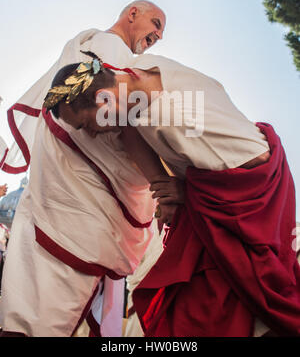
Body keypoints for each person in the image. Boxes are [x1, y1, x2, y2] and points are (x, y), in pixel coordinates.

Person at [44, 51, 300, 337]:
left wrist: (187, 189)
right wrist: (161, 182)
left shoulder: (177, 119)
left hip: (250, 200)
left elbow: (254, 162)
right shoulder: (133, 77)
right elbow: (128, 128)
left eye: (85, 124)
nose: (90, 134)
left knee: (238, 300)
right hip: (211, 187)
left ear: (104, 100)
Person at [0, 0, 178, 338]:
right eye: (155, 23)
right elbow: (124, 118)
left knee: (30, 314)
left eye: (162, 31)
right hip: (76, 208)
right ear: (132, 14)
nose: (158, 34)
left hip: (55, 202)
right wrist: (161, 181)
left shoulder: (85, 46)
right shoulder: (106, 48)